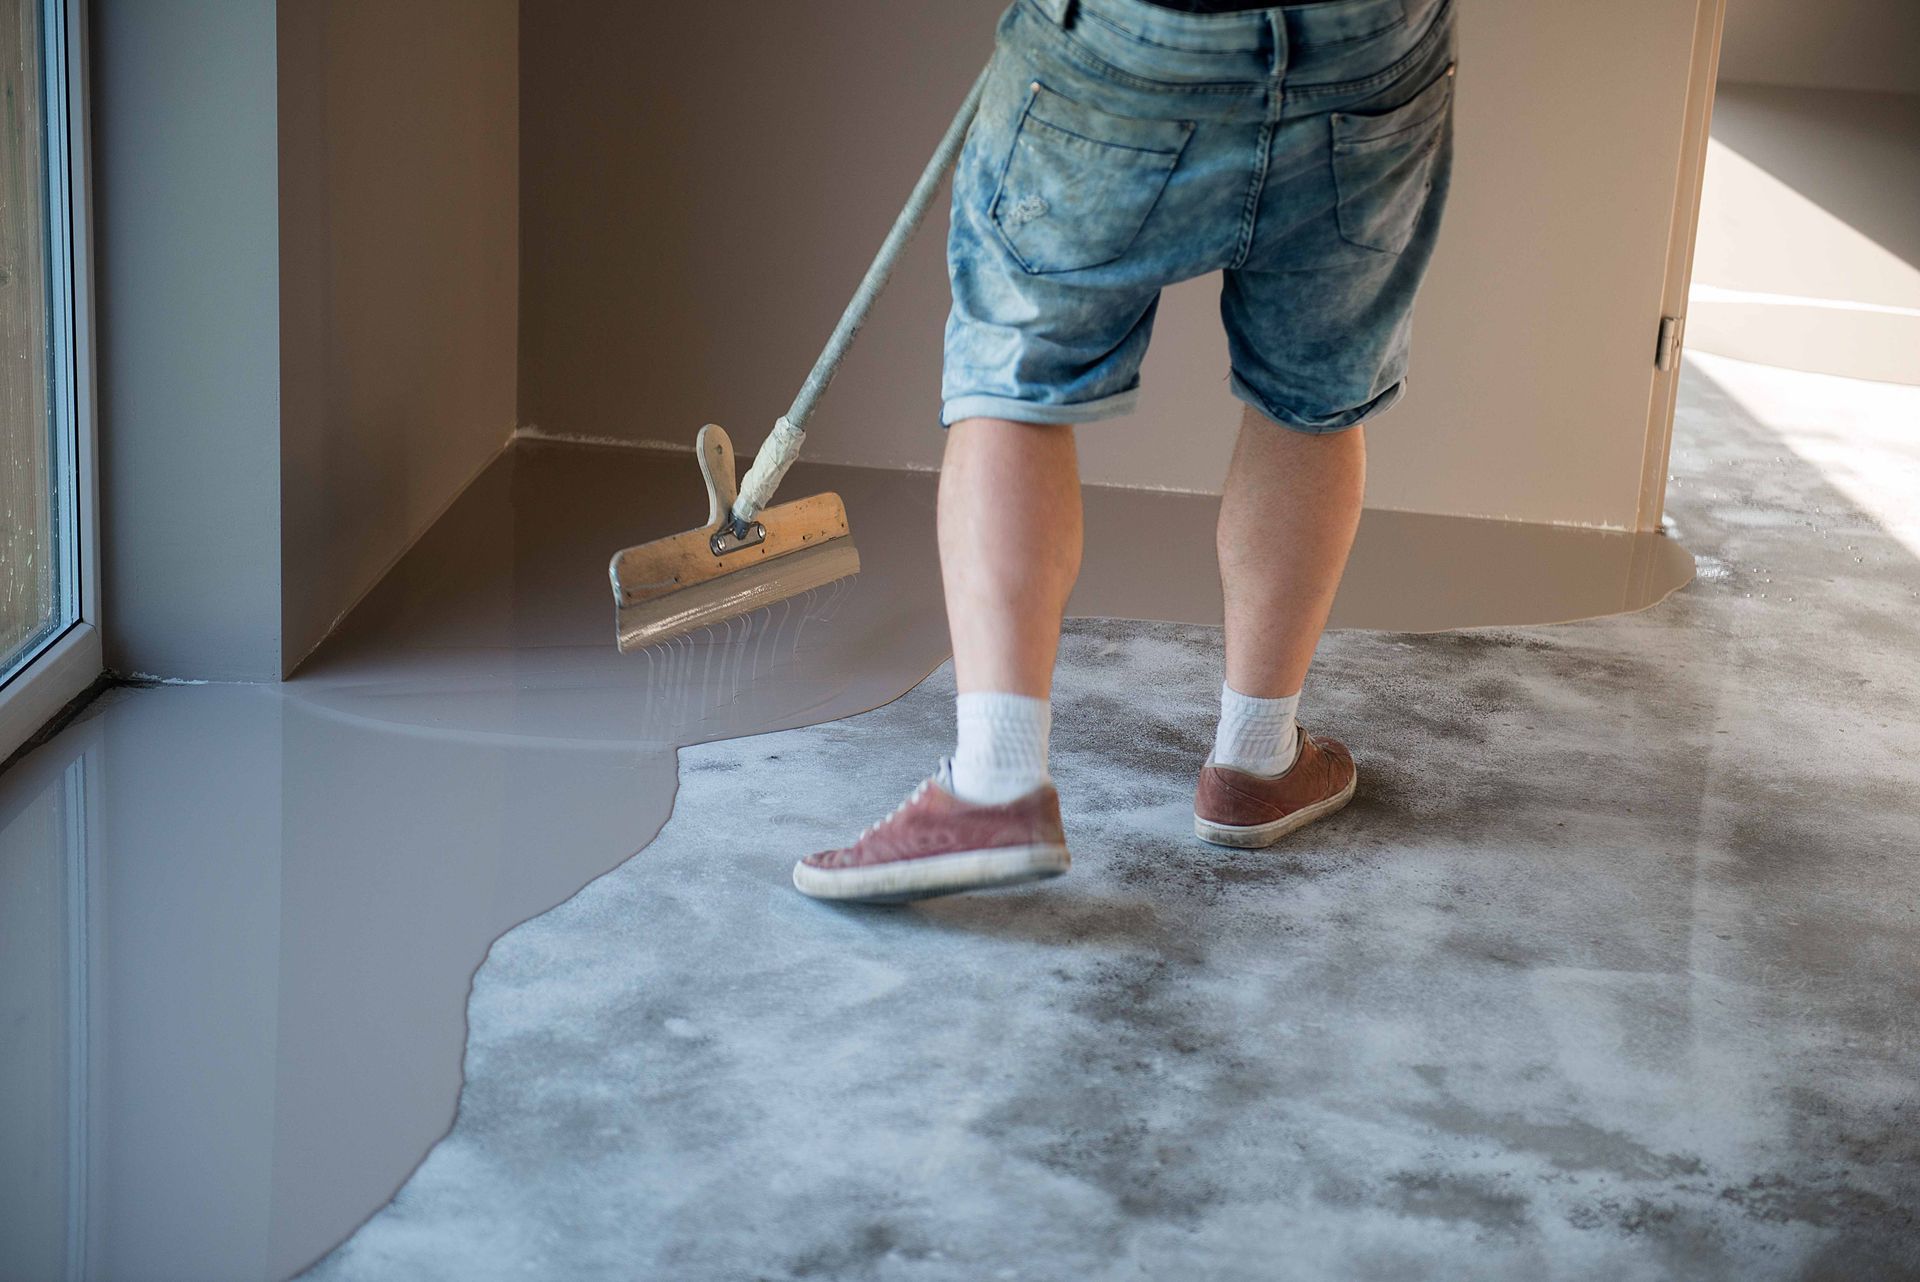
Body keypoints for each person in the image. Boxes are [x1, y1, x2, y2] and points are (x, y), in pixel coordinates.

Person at [791, 0, 1456, 903]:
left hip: (1130, 39)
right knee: (1314, 395)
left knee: (1018, 378)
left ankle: (995, 781)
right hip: (1366, 46)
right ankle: (1257, 761)